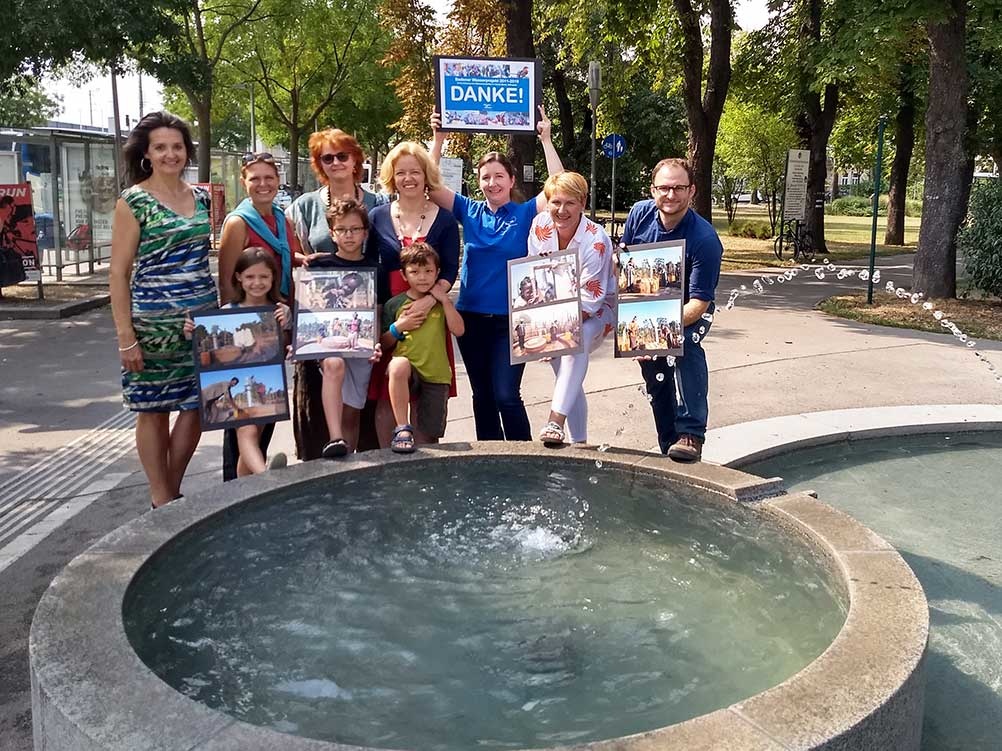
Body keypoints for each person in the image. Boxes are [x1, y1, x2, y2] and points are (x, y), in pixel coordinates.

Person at [428, 106, 564, 441]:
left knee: (506, 395)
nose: (492, 183)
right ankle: (489, 461)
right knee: (483, 397)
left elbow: (559, 187)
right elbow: (430, 186)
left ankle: (523, 457)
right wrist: (438, 139)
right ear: (479, 183)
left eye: (499, 176)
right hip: (471, 319)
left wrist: (546, 139)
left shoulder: (524, 214)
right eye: (486, 177)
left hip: (513, 321)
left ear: (511, 180)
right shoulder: (468, 210)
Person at [109, 111, 218, 509]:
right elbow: (118, 274)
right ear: (147, 154)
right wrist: (127, 338)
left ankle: (170, 491)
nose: (171, 154)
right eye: (161, 147)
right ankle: (162, 496)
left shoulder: (202, 198)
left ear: (186, 152)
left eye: (177, 146)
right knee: (153, 410)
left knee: (196, 407)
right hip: (152, 327)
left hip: (201, 323)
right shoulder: (134, 201)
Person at [289, 129, 387, 454]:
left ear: (356, 158)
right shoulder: (304, 206)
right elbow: (286, 250)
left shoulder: (378, 203)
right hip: (320, 323)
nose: (335, 162)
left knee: (357, 406)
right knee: (321, 405)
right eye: (326, 158)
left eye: (341, 155)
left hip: (364, 319)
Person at [621, 158, 722, 462]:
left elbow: (699, 304)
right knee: (655, 373)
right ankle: (670, 445)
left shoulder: (704, 240)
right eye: (664, 187)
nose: (671, 194)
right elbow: (626, 272)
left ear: (691, 191)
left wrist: (657, 331)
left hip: (690, 311)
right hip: (648, 305)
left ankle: (692, 433)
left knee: (685, 345)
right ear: (653, 190)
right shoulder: (640, 214)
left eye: (679, 188)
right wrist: (635, 332)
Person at [366, 142, 460, 448]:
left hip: (429, 312)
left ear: (426, 175)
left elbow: (449, 271)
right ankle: (387, 468)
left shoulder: (444, 219)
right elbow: (371, 267)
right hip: (390, 311)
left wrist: (427, 302)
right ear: (392, 176)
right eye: (401, 172)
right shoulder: (377, 216)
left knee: (428, 395)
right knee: (386, 392)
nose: (408, 178)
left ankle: (424, 472)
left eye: (415, 172)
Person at [216, 152, 301, 481]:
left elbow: (287, 259)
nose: (263, 184)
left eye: (269, 178)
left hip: (275, 325)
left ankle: (252, 482)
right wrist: (232, 331)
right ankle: (232, 487)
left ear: (278, 181)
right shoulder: (238, 222)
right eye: (255, 179)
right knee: (240, 414)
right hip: (246, 331)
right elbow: (227, 280)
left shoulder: (282, 219)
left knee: (263, 408)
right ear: (244, 182)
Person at [527, 172, 615, 445]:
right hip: (555, 312)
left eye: (570, 203)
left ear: (583, 202)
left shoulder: (595, 239)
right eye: (555, 202)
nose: (561, 210)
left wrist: (554, 334)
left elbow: (590, 300)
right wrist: (543, 327)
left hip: (598, 310)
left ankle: (555, 421)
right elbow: (534, 276)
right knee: (567, 374)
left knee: (578, 341)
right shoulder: (540, 224)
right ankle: (580, 443)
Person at [185, 247, 291, 475]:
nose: (257, 283)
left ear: (273, 278)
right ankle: (266, 476)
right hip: (243, 385)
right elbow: (203, 349)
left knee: (253, 438)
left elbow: (287, 346)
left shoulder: (279, 311)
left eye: (264, 276)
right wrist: (191, 332)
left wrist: (287, 325)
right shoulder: (226, 312)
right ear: (239, 278)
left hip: (265, 379)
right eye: (250, 277)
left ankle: (248, 486)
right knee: (247, 432)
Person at [297, 198, 382, 459]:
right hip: (331, 341)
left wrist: (376, 341)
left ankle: (348, 454)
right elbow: (306, 308)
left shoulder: (374, 268)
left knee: (353, 411)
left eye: (355, 229)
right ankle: (335, 437)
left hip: (361, 344)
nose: (349, 235)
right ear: (332, 234)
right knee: (334, 365)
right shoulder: (319, 267)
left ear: (365, 233)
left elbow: (377, 310)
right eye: (342, 229)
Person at [380, 243, 465, 453]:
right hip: (407, 371)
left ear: (437, 272)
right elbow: (383, 343)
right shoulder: (395, 304)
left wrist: (444, 300)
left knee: (428, 441)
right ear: (403, 274)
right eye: (415, 272)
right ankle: (401, 428)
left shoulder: (439, 303)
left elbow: (459, 330)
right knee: (398, 365)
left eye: (428, 271)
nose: (423, 277)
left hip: (436, 375)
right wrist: (398, 327)